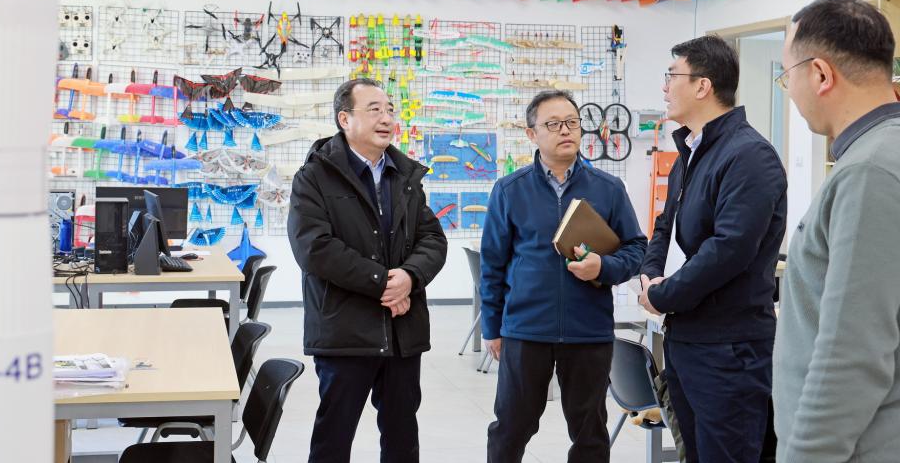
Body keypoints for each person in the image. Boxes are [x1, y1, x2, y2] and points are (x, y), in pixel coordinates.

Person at [637, 35, 787, 463]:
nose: (665, 87)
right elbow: (665, 226)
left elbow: (729, 249)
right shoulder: (691, 150)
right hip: (685, 338)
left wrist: (664, 295)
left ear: (702, 85)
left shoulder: (749, 156)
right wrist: (650, 275)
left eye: (672, 76)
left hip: (729, 348)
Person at [480, 89, 647, 463]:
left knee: (590, 435)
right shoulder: (509, 190)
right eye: (553, 124)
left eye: (572, 122)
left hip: (588, 331)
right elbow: (492, 266)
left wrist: (603, 267)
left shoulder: (608, 189)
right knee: (510, 429)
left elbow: (636, 249)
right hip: (526, 329)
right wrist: (492, 327)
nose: (566, 130)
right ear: (532, 134)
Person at [288, 78, 447, 463]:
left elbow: (432, 238)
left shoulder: (405, 176)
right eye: (374, 110)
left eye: (390, 110)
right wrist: (384, 284)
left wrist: (409, 277)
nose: (387, 118)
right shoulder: (314, 176)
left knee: (402, 437)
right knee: (333, 438)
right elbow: (315, 249)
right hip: (345, 330)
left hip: (402, 331)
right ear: (345, 119)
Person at [773, 0, 900, 463]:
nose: (789, 90)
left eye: (787, 75)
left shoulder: (869, 171)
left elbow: (852, 351)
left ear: (821, 75)